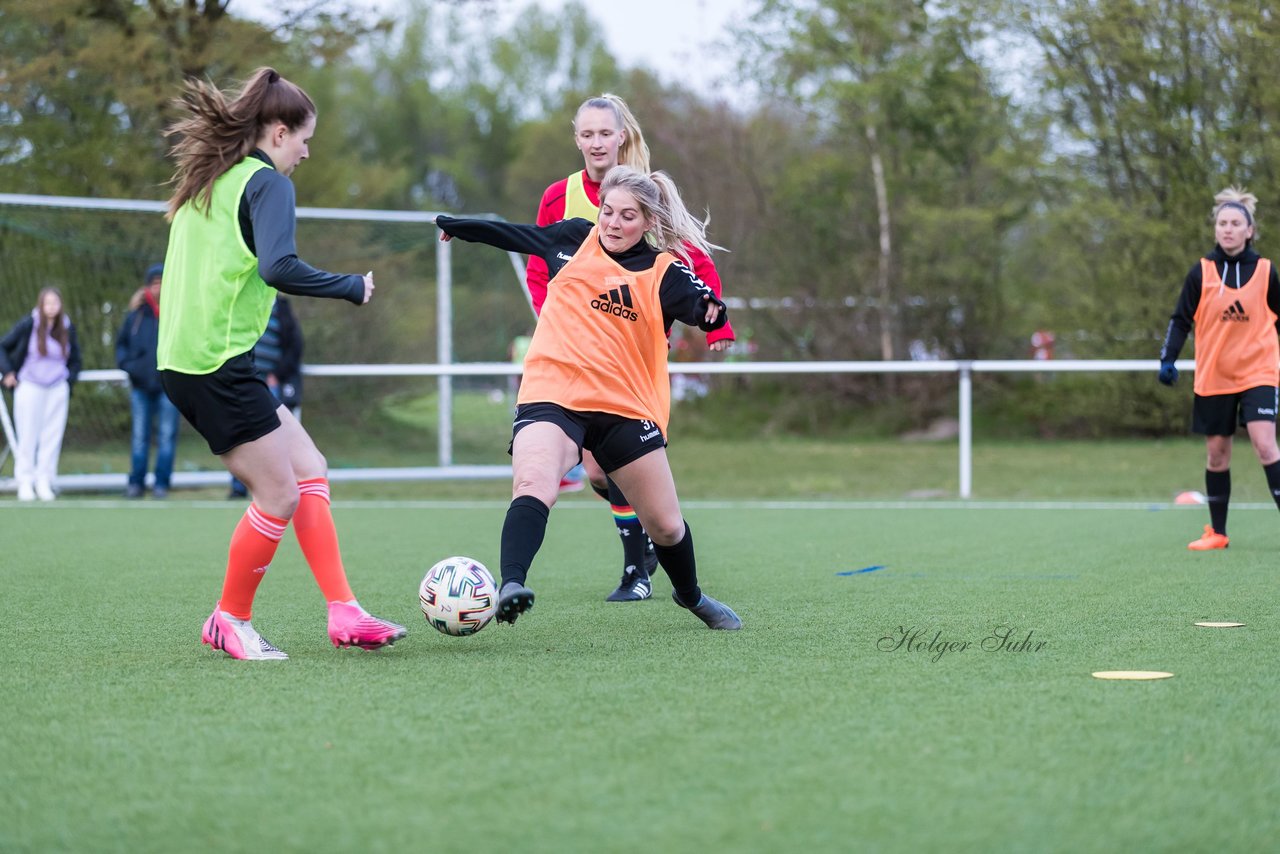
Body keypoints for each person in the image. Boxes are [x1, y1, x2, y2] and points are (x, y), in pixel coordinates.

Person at [159, 66, 404, 659]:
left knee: (309, 468)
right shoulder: (266, 184)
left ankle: (344, 611)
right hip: (214, 365)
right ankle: (228, 619)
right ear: (276, 132)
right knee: (279, 496)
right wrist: (349, 286)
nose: (306, 151)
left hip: (195, 361)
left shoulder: (211, 181)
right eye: (303, 138)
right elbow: (278, 267)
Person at [437, 165, 742, 631]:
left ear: (648, 223)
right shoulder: (572, 239)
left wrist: (715, 319)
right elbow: (515, 236)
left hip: (625, 406)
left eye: (627, 216)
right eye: (607, 212)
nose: (612, 224)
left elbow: (703, 304)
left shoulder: (663, 272)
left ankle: (692, 596)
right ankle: (511, 584)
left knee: (665, 526)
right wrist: (460, 227)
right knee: (533, 482)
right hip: (552, 393)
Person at [527, 93, 735, 603]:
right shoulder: (560, 197)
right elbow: (539, 267)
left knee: (607, 462)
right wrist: (552, 322)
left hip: (632, 353)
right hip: (572, 354)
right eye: (587, 134)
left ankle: (638, 567)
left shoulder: (643, 192)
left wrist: (716, 326)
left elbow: (691, 260)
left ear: (622, 136)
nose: (597, 142)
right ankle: (641, 552)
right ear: (576, 139)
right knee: (593, 466)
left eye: (605, 133)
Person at [1158, 186, 1280, 550]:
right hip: (1215, 375)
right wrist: (1168, 358)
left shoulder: (1266, 272)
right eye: (1222, 223)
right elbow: (1180, 319)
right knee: (1217, 453)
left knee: (1265, 445)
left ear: (1249, 230)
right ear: (1216, 229)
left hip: (1259, 371)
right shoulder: (1201, 272)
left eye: (1235, 223)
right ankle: (1219, 533)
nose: (1228, 229)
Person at [0, 287, 81, 502]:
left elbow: (76, 360)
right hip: (30, 386)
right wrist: (8, 372)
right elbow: (3, 346)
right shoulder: (29, 324)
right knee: (28, 434)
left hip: (56, 388)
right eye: (48, 302)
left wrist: (67, 381)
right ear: (41, 304)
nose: (52, 306)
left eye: (55, 302)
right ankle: (25, 481)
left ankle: (44, 480)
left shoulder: (67, 327)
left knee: (51, 437)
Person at [116, 263, 180, 499]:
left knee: (166, 436)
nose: (159, 288)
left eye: (163, 283)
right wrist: (132, 368)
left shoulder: (178, 313)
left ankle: (162, 484)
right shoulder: (135, 317)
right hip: (140, 387)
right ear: (147, 286)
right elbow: (120, 347)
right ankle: (136, 484)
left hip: (169, 387)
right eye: (155, 283)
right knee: (139, 437)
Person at [229, 295, 303, 499]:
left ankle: (271, 484)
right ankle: (239, 486)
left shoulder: (282, 309)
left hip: (269, 384)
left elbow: (294, 345)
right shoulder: (241, 301)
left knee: (271, 437)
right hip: (243, 380)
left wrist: (277, 374)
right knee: (241, 434)